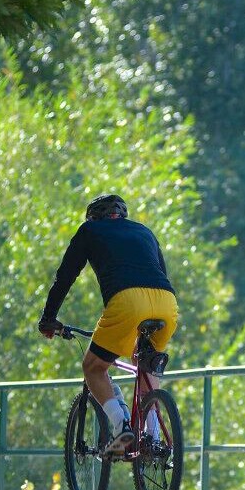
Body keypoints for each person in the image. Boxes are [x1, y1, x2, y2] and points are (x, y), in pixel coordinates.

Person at [39, 194, 178, 455]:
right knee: (145, 363)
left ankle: (121, 425)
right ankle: (153, 436)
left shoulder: (90, 230)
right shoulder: (144, 231)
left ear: (93, 216)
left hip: (126, 302)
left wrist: (48, 318)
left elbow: (65, 277)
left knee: (93, 367)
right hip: (167, 303)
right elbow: (161, 271)